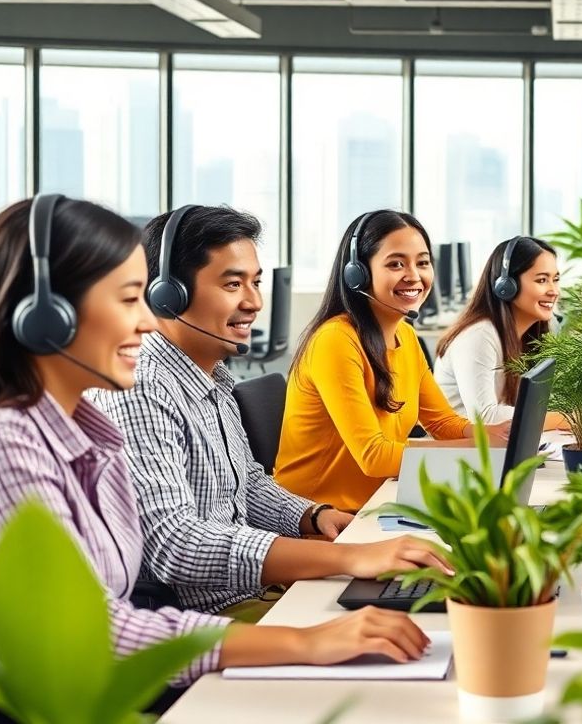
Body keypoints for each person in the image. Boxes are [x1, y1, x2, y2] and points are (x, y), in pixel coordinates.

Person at [0, 197, 433, 716]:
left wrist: (313, 524)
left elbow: (239, 490)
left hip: (94, 679)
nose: (147, 321)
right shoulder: (0, 445)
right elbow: (104, 619)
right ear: (48, 316)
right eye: (128, 300)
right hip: (22, 707)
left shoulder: (80, 429)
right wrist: (303, 639)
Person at [90, 205, 445, 621]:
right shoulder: (142, 389)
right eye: (233, 284)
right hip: (202, 617)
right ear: (169, 294)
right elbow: (175, 545)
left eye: (255, 282)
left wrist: (312, 515)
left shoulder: (213, 379)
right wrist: (348, 558)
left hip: (255, 590)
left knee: (434, 607)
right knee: (406, 626)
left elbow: (249, 485)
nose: (254, 301)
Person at [274, 210, 510, 512]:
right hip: (323, 517)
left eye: (422, 262)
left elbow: (442, 421)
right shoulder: (335, 341)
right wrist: (481, 449)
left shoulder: (406, 337)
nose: (414, 275)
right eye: (396, 263)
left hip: (381, 501)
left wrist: (494, 433)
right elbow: (374, 457)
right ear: (357, 273)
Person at [433, 235, 573, 432]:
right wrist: (563, 419)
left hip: (497, 448)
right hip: (461, 453)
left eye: (555, 279)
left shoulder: (532, 334)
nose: (553, 290)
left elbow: (542, 402)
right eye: (542, 280)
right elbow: (486, 417)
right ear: (506, 286)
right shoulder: (478, 336)